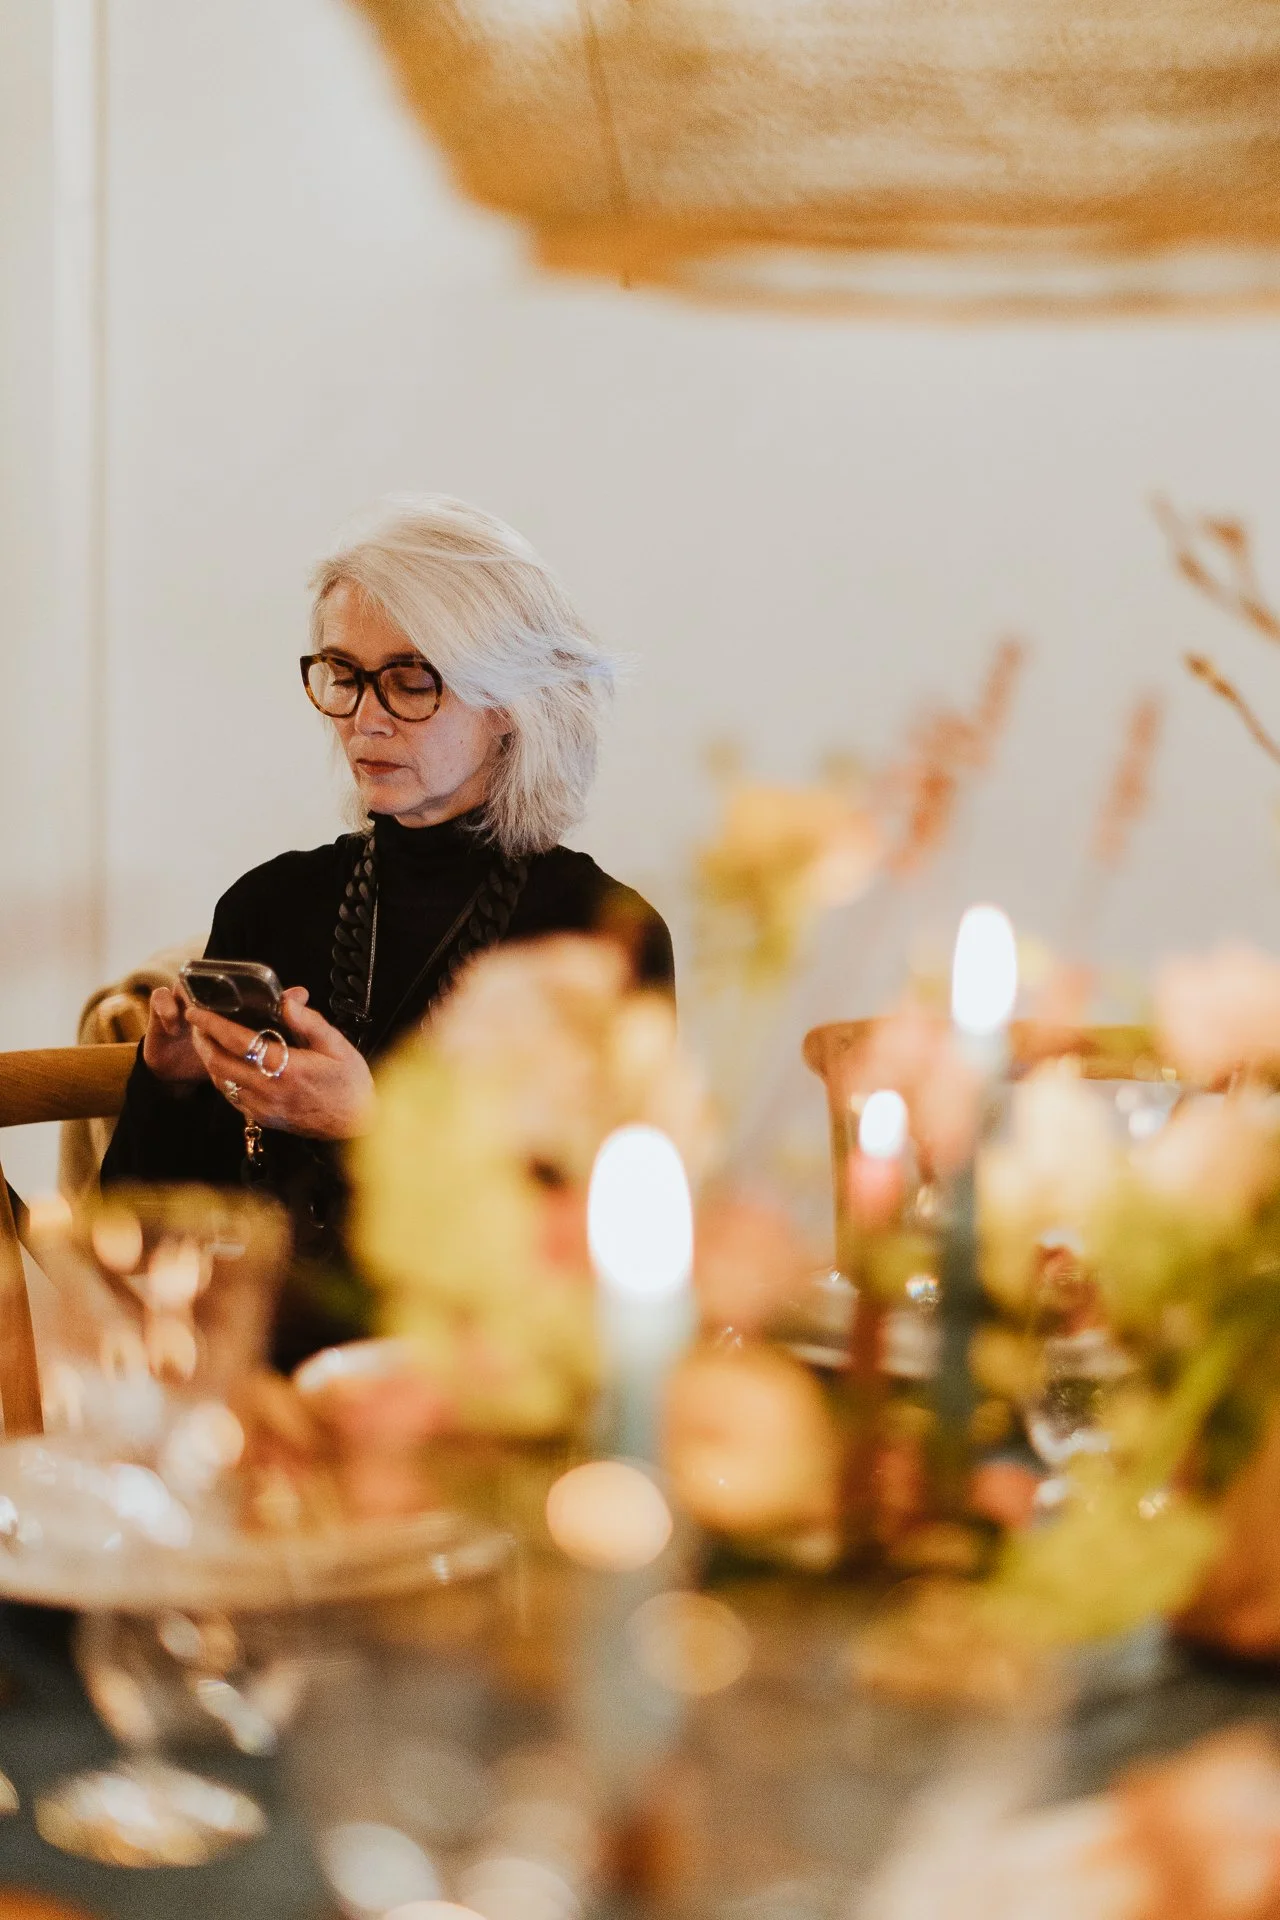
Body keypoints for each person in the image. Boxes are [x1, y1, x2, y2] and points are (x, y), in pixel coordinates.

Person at [102, 496, 673, 1356]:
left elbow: (606, 1253)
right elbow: (137, 1233)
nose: (365, 718)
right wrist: (173, 1082)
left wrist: (367, 1125)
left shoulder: (601, 933)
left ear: (508, 700)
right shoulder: (269, 905)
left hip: (475, 1393)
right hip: (259, 1387)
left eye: (411, 681)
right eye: (344, 673)